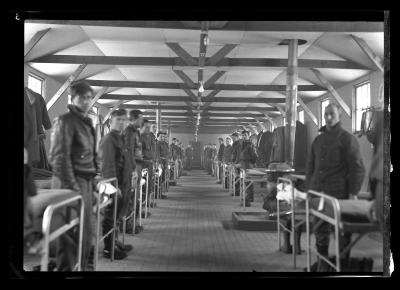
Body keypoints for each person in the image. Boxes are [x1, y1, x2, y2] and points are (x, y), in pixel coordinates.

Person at [306, 103, 366, 271]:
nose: (329, 117)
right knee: (319, 228)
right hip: (318, 193)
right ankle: (323, 262)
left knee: (342, 231)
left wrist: (353, 193)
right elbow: (310, 167)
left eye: (332, 114)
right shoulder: (317, 141)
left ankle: (343, 264)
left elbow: (358, 168)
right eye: (326, 114)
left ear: (339, 116)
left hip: (338, 195)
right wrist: (309, 190)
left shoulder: (347, 139)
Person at [49, 81, 100, 271]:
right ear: (73, 98)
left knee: (85, 231)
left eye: (89, 98)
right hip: (70, 181)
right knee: (70, 232)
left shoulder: (86, 123)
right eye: (82, 97)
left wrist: (93, 184)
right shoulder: (65, 121)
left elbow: (91, 158)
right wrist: (74, 188)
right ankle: (67, 268)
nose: (86, 101)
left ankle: (82, 266)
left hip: (84, 181)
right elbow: (59, 158)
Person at [98, 108, 133, 260]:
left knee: (118, 216)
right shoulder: (108, 139)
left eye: (123, 120)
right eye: (118, 120)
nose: (121, 123)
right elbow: (108, 165)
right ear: (111, 121)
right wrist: (113, 186)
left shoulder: (121, 138)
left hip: (123, 183)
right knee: (110, 216)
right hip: (115, 184)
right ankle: (108, 249)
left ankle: (115, 242)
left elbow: (125, 160)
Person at [123, 109, 144, 234]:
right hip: (132, 168)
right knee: (131, 199)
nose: (141, 121)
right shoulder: (129, 132)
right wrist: (133, 169)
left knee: (134, 198)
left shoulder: (135, 132)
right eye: (140, 118)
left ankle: (132, 224)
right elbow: (128, 152)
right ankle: (128, 226)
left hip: (136, 166)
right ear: (134, 119)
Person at [238, 130, 258, 206]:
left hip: (248, 164)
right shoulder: (242, 144)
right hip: (243, 164)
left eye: (245, 135)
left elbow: (254, 156)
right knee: (244, 182)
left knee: (249, 182)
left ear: (248, 136)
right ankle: (247, 198)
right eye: (243, 135)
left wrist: (251, 163)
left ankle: (249, 199)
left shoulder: (250, 145)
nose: (244, 137)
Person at [140, 119, 155, 214]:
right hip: (143, 164)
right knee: (142, 185)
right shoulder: (139, 138)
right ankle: (141, 205)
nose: (148, 129)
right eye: (147, 127)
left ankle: (147, 202)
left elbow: (152, 151)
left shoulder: (149, 137)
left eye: (149, 127)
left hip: (149, 163)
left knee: (149, 183)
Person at [156, 132, 169, 199]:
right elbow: (157, 154)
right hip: (161, 162)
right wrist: (159, 164)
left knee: (163, 178)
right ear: (157, 137)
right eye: (161, 136)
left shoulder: (165, 144)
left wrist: (167, 163)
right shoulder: (157, 144)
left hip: (165, 162)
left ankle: (160, 193)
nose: (163, 138)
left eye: (164, 137)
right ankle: (158, 194)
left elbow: (167, 154)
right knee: (159, 179)